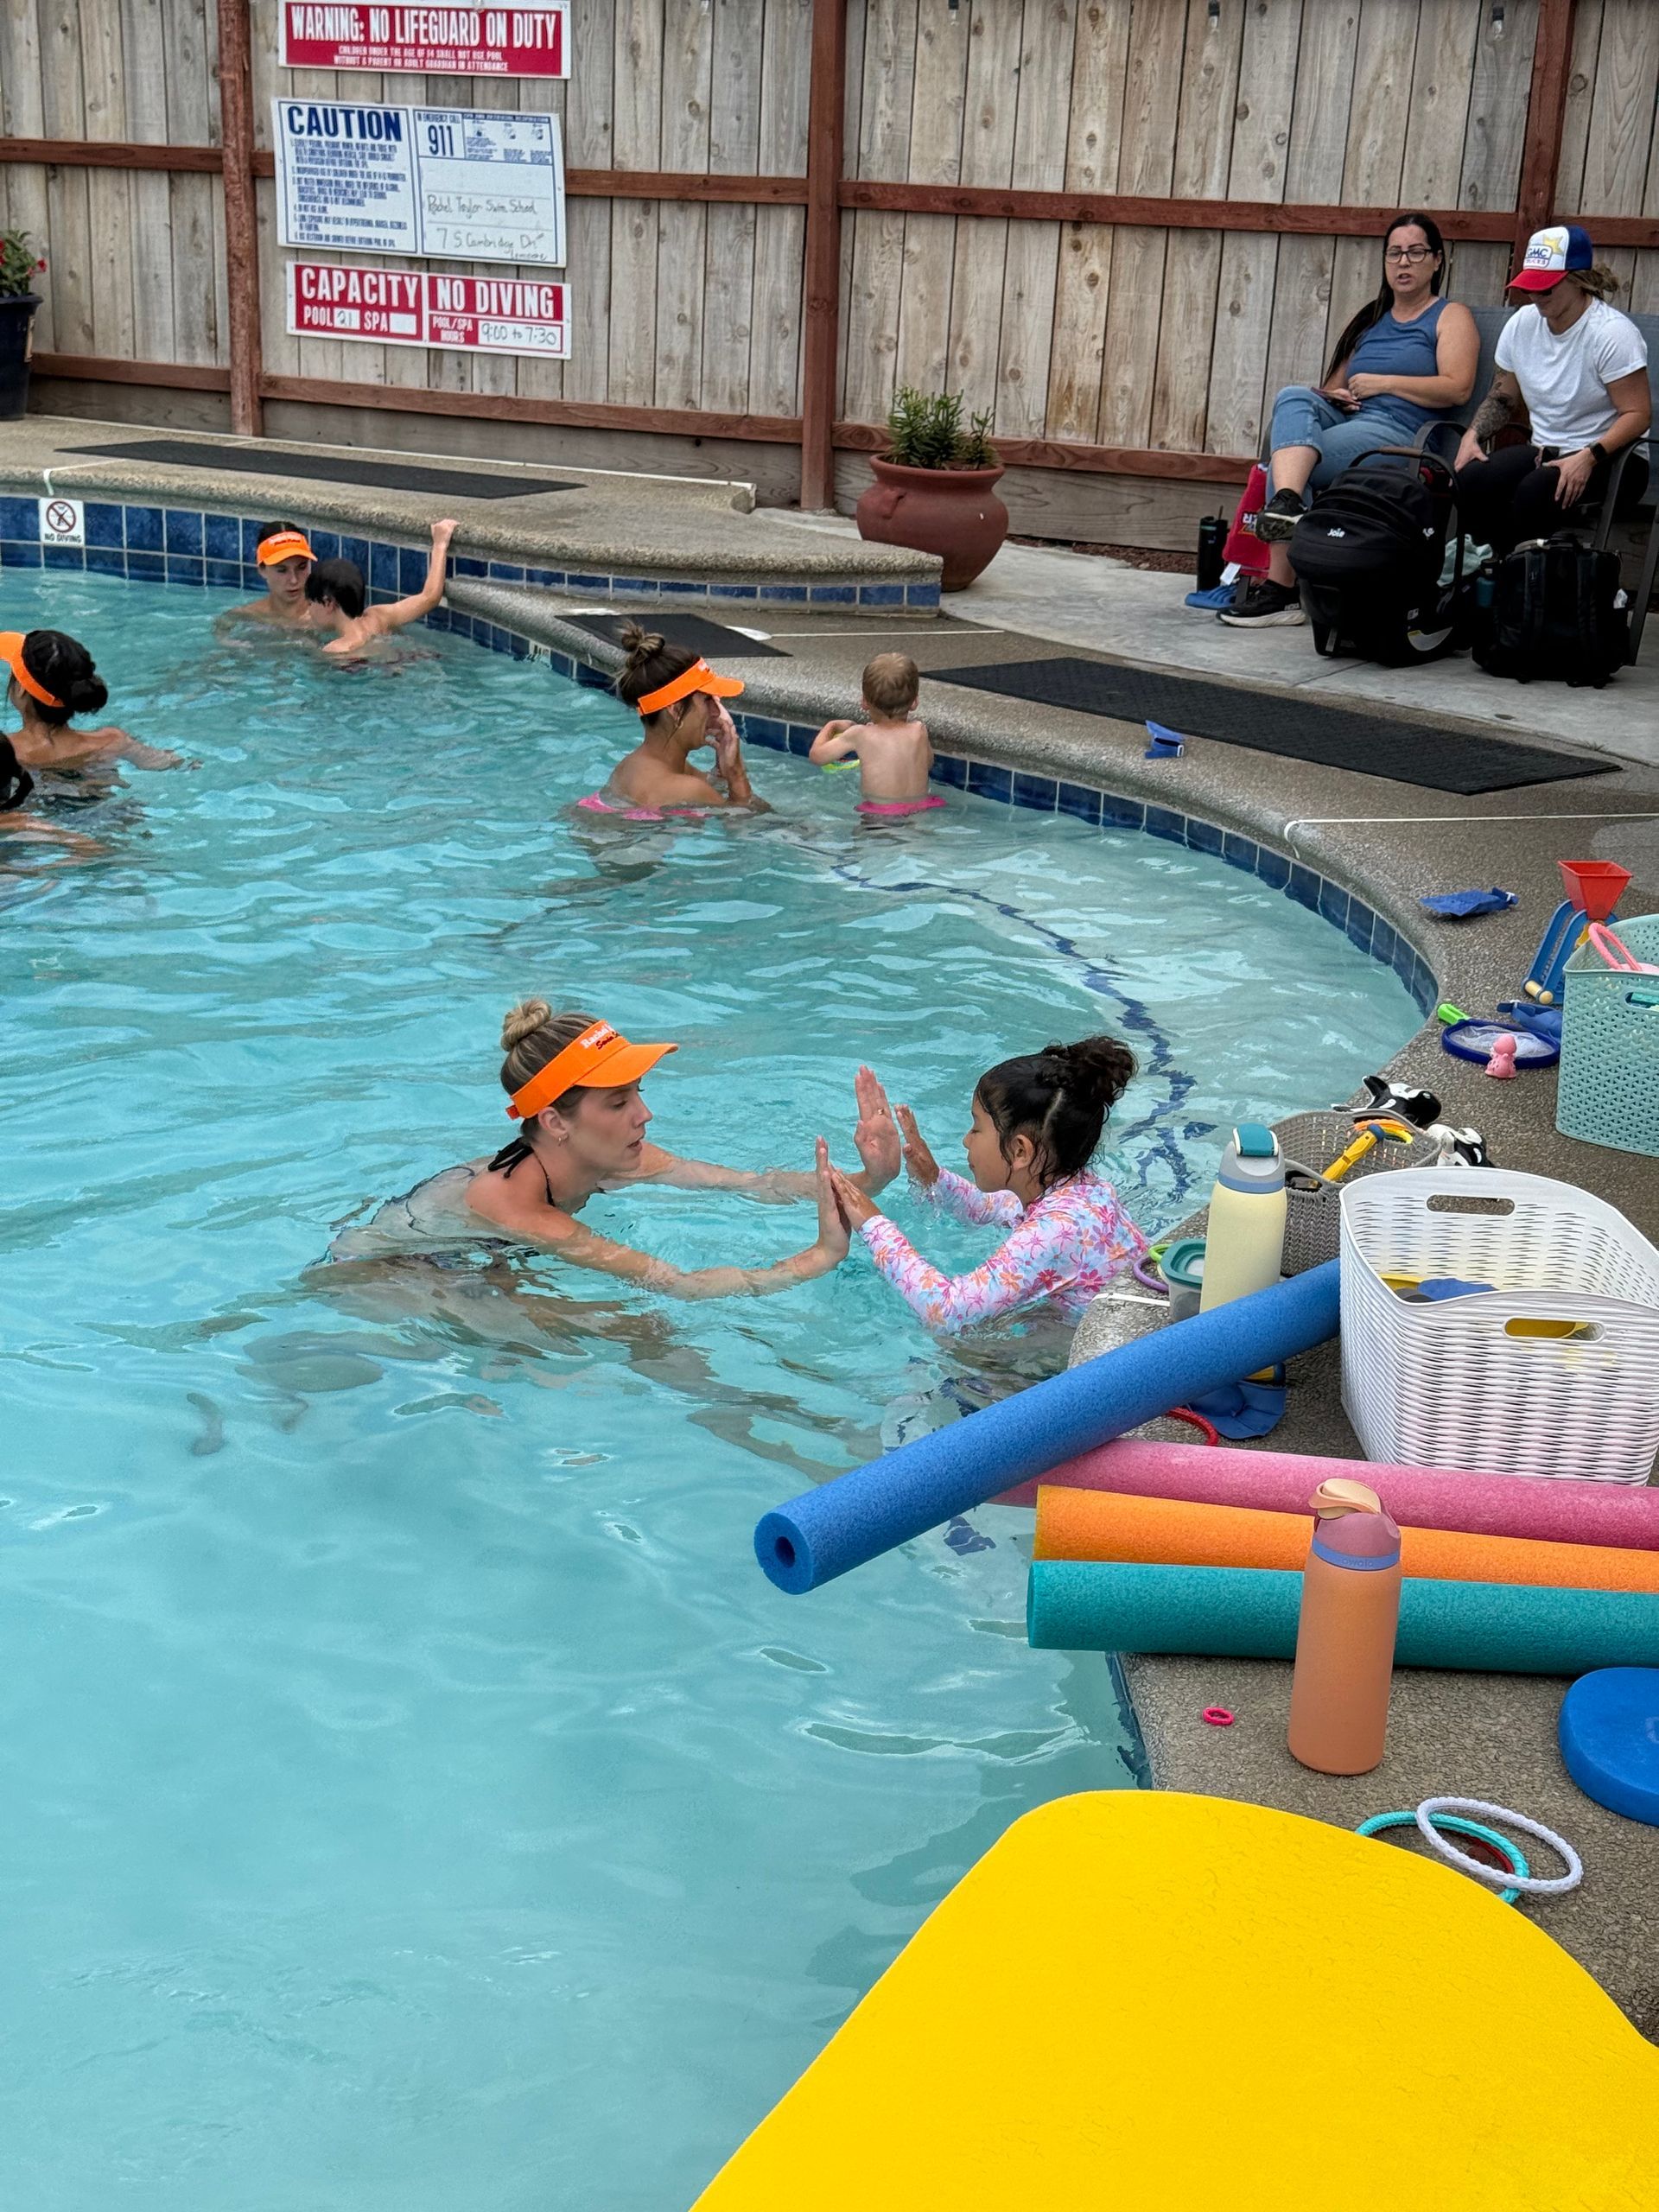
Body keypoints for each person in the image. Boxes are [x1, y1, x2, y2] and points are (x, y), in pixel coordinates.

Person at [333, 1001, 907, 1298]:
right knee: (627, 1332)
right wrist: (820, 1257)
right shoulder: (510, 1203)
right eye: (617, 1103)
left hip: (475, 1263)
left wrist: (870, 1176)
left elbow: (755, 1186)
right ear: (556, 1121)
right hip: (384, 1280)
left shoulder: (609, 1158)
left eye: (639, 1092)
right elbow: (679, 1285)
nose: (644, 1114)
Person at [1221, 213, 1478, 627]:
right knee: (1293, 397)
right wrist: (1335, 396)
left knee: (1296, 460)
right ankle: (1287, 504)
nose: (1404, 262)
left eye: (1415, 252)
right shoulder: (1370, 319)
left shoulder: (1450, 316)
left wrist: (1384, 383)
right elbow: (1331, 389)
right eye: (1395, 253)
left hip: (1399, 435)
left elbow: (1458, 387)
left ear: (1437, 260)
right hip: (1349, 420)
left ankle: (1281, 590)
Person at [825, 1034, 1147, 1333]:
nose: (966, 1140)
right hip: (1111, 1332)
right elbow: (989, 1208)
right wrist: (934, 1177)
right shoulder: (1080, 1191)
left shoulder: (1058, 1230)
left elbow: (944, 1312)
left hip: (1106, 1366)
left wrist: (872, 1222)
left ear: (1019, 1150)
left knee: (957, 1347)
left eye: (977, 1128)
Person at [1454, 225, 1651, 556]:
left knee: (1535, 492)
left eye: (1546, 289)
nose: (1536, 297)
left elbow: (1639, 414)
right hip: (1547, 449)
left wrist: (1588, 457)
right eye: (1531, 288)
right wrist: (1472, 435)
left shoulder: (1611, 334)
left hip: (1614, 457)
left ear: (1578, 279)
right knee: (1472, 480)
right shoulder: (1522, 323)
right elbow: (1504, 395)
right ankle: (1495, 573)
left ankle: (1523, 583)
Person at [580, 626, 758, 817]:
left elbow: (715, 788)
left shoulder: (632, 766)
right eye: (708, 700)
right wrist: (737, 774)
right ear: (677, 710)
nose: (717, 712)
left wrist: (722, 773)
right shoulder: (689, 789)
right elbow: (749, 823)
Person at [2, 628, 177, 771]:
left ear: (21, 689)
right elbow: (170, 763)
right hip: (110, 811)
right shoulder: (112, 741)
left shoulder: (7, 753)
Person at [808, 652, 940, 815]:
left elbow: (817, 756)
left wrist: (831, 726)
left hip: (880, 814)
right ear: (915, 702)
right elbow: (928, 764)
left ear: (864, 702)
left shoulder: (860, 734)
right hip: (922, 807)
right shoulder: (919, 730)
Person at [305, 518, 458, 657]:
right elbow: (430, 598)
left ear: (328, 603)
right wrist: (440, 545)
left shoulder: (336, 650)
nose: (309, 611)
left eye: (310, 603)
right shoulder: (379, 617)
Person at [225, 522, 323, 629]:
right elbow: (223, 625)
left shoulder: (328, 616)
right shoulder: (249, 614)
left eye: (301, 567)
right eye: (282, 570)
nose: (294, 580)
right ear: (262, 570)